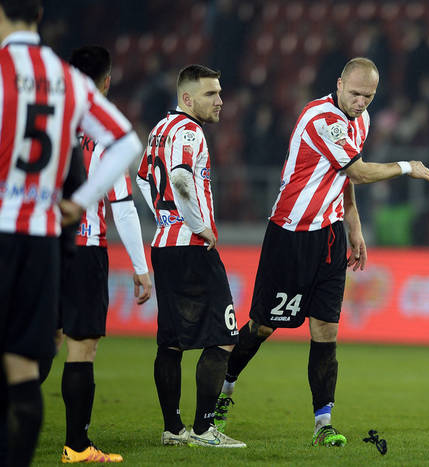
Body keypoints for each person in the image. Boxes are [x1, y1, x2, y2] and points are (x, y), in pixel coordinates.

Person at [213, 57, 429, 447]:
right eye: (356, 93)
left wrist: (354, 226)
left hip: (329, 236)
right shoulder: (322, 118)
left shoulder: (360, 120)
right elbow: (359, 171)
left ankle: (323, 424)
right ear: (339, 84)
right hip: (290, 234)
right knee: (263, 326)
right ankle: (223, 391)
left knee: (326, 330)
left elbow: (345, 177)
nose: (361, 102)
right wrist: (406, 166)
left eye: (369, 96)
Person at [0, 1, 143, 466]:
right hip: (51, 237)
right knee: (33, 360)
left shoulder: (5, 71)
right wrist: (80, 202)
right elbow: (126, 144)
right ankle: (74, 445)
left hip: (8, 228)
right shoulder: (66, 82)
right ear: (40, 15)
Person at [48, 45, 152, 464]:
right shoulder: (104, 127)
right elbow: (122, 204)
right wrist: (141, 268)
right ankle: (77, 447)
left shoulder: (45, 115)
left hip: (36, 243)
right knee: (81, 347)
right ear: (106, 82)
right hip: (84, 246)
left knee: (37, 342)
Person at [135, 64, 246, 448]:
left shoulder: (160, 128)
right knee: (225, 337)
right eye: (210, 94)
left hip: (164, 245)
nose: (220, 101)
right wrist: (199, 226)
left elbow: (142, 178)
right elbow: (181, 178)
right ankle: (203, 430)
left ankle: (172, 428)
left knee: (170, 341)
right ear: (187, 98)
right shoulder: (189, 130)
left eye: (219, 92)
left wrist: (163, 217)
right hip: (192, 247)